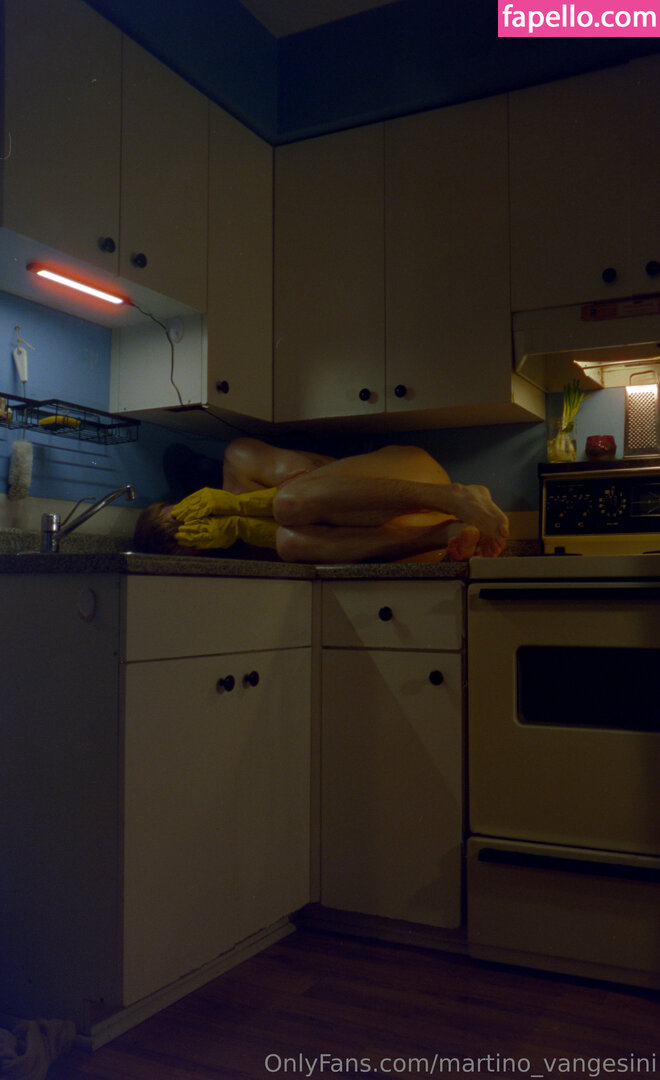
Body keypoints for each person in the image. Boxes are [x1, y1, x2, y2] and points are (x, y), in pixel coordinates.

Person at [133, 437, 509, 563]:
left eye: (180, 516)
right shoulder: (245, 557)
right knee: (289, 542)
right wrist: (240, 530)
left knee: (288, 503)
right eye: (188, 540)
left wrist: (235, 508)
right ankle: (446, 532)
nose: (195, 527)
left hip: (413, 482)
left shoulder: (240, 461)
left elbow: (318, 483)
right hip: (427, 543)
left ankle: (454, 496)